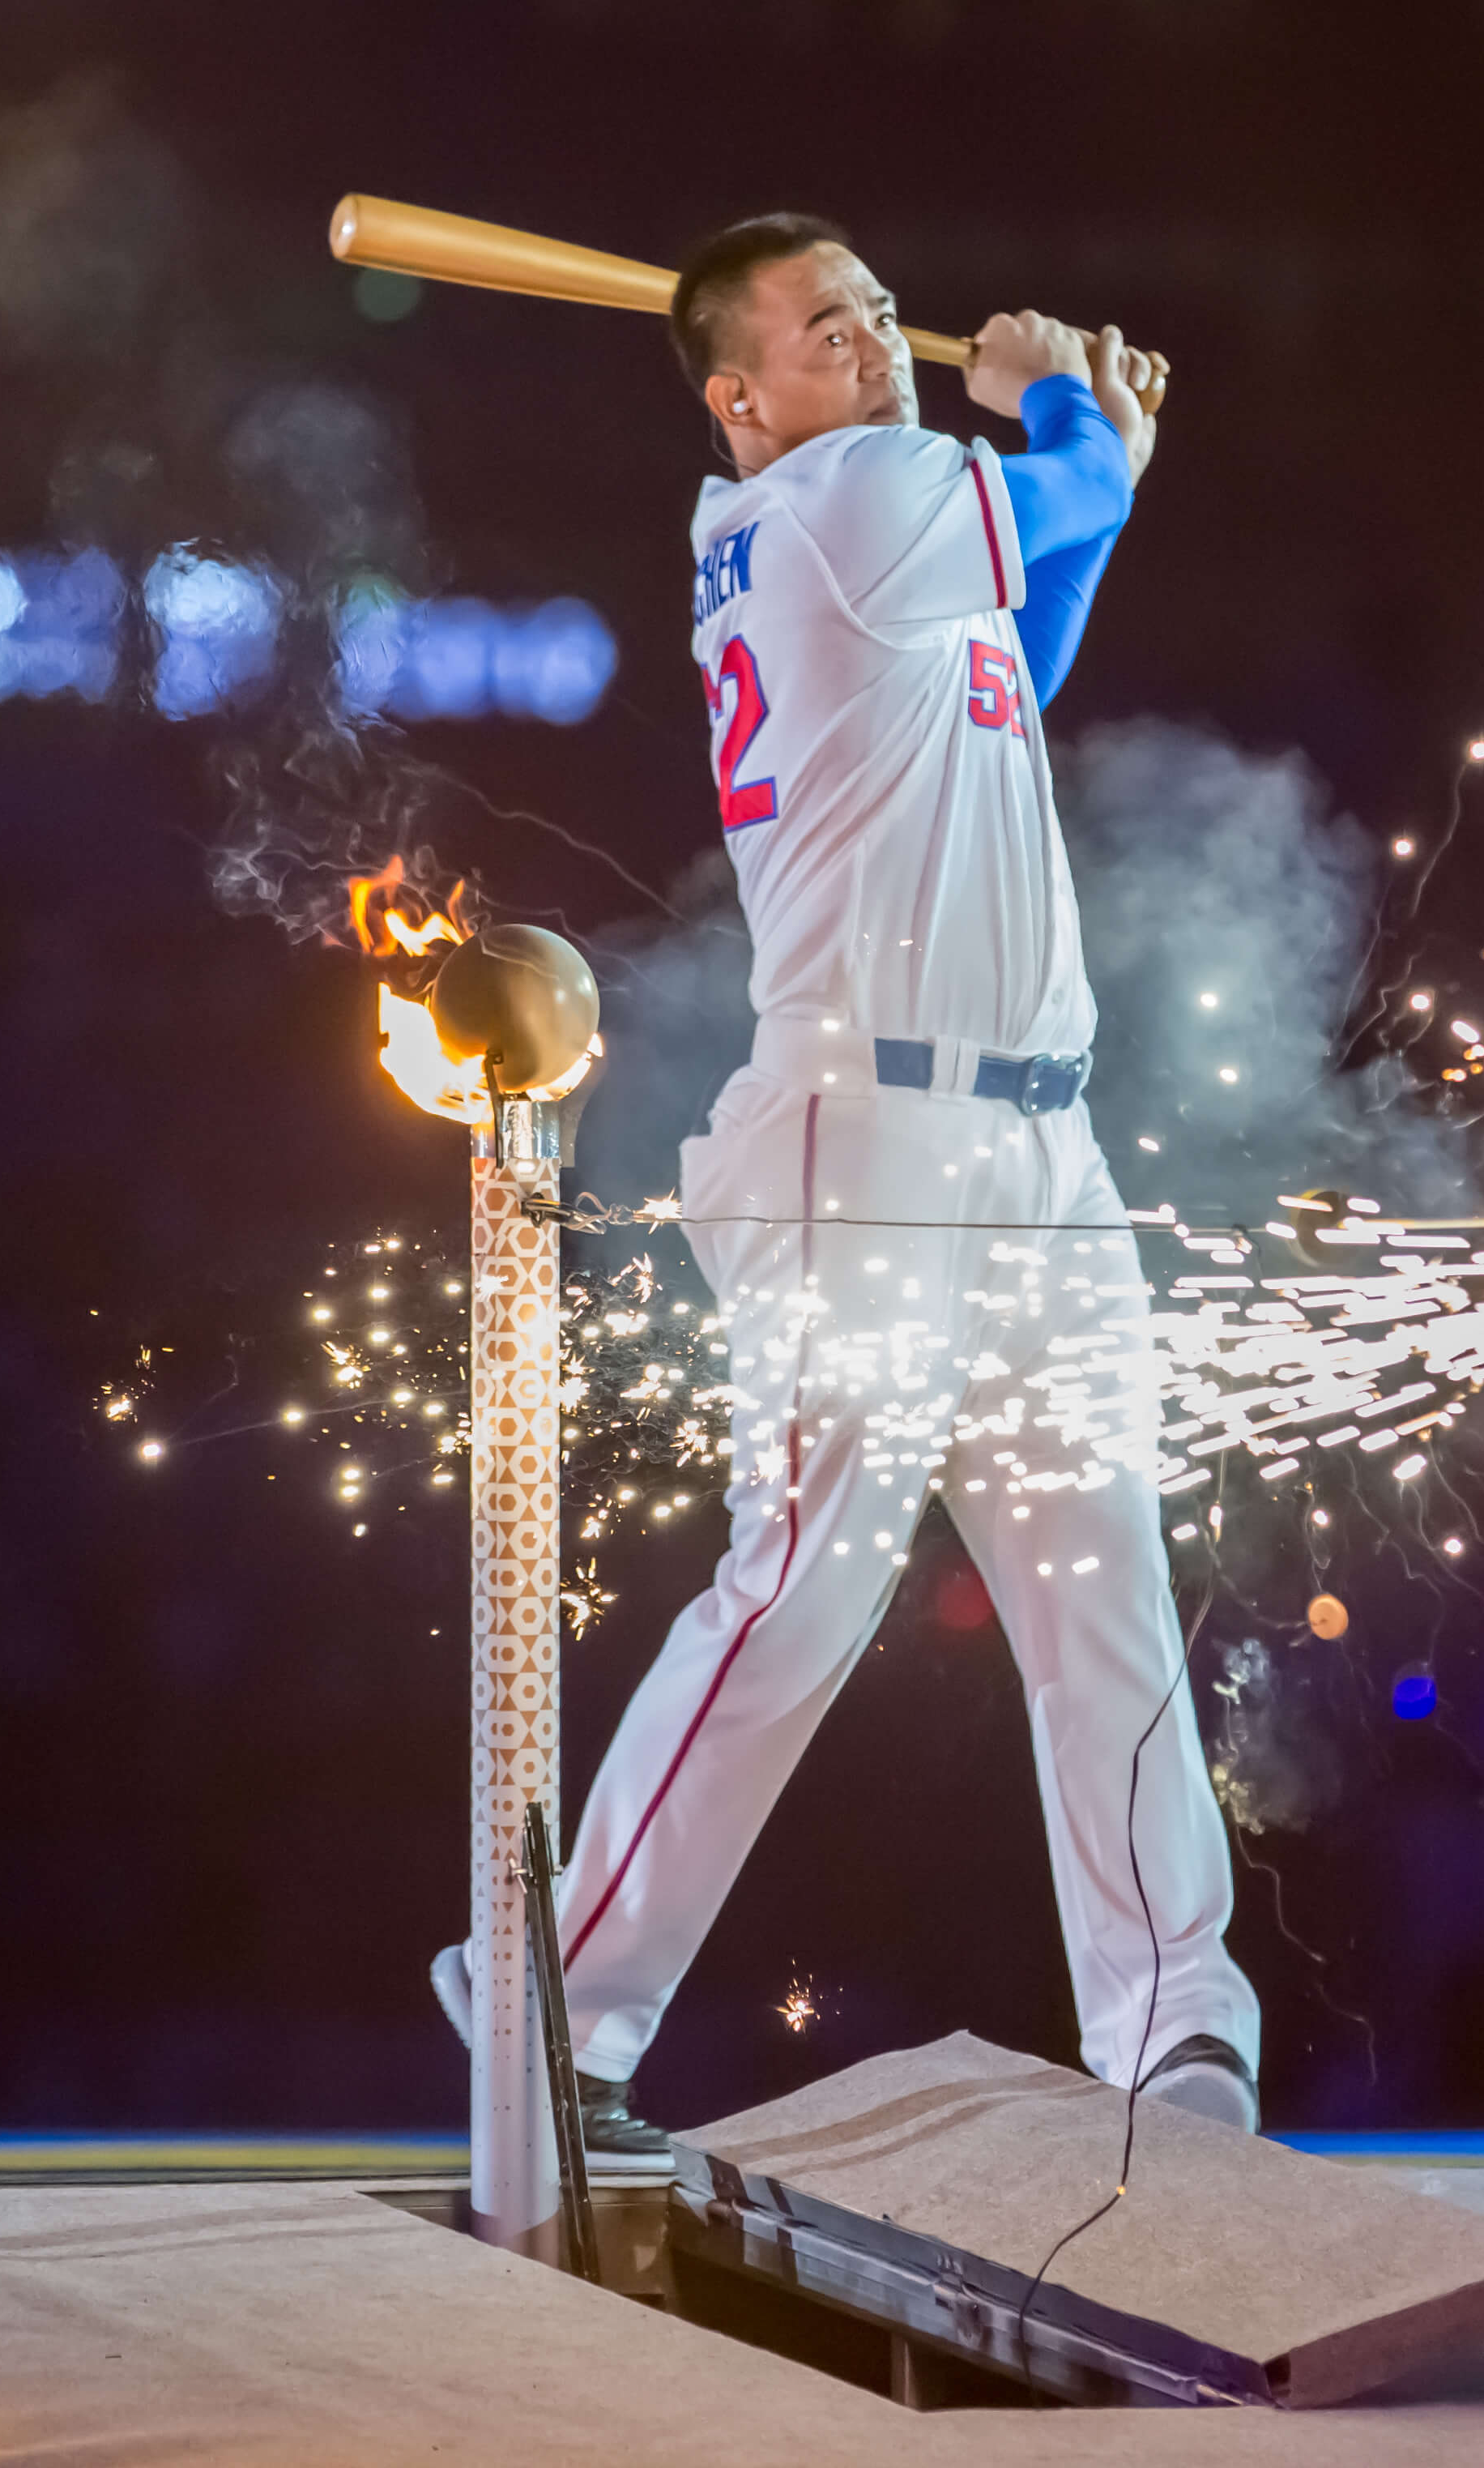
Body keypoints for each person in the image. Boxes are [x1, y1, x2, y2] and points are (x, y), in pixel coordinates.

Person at [429, 216, 1258, 2166]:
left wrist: (1090, 463)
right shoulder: (834, 496)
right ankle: (546, 1992)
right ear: (742, 399)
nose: (878, 342)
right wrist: (1064, 392)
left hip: (1035, 1143)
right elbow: (1052, 486)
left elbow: (1023, 643)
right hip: (860, 1136)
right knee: (802, 1585)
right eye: (827, 325)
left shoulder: (873, 526)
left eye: (883, 309)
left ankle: (1174, 2034)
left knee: (1100, 1582)